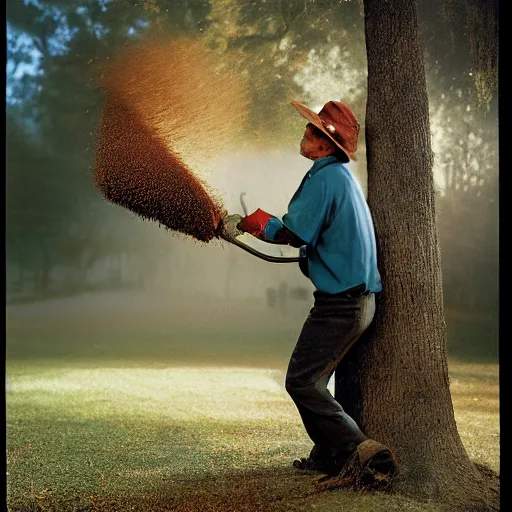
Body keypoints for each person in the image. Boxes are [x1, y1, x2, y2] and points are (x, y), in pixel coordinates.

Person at [233, 99, 386, 478]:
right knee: (315, 380)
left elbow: (292, 232)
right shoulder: (341, 178)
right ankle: (329, 456)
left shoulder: (326, 178)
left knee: (302, 381)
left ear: (324, 143)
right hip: (359, 301)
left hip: (341, 305)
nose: (304, 132)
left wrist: (250, 223)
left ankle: (363, 452)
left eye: (311, 129)